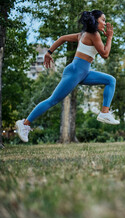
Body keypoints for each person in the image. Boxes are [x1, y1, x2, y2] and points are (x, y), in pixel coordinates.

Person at [15, 10, 119, 143]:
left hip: (83, 72)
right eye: (103, 20)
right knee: (52, 100)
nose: (105, 23)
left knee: (110, 80)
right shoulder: (94, 34)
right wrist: (110, 37)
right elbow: (105, 54)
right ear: (95, 20)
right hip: (75, 72)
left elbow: (62, 38)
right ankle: (25, 123)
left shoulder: (83, 34)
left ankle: (104, 113)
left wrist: (49, 52)